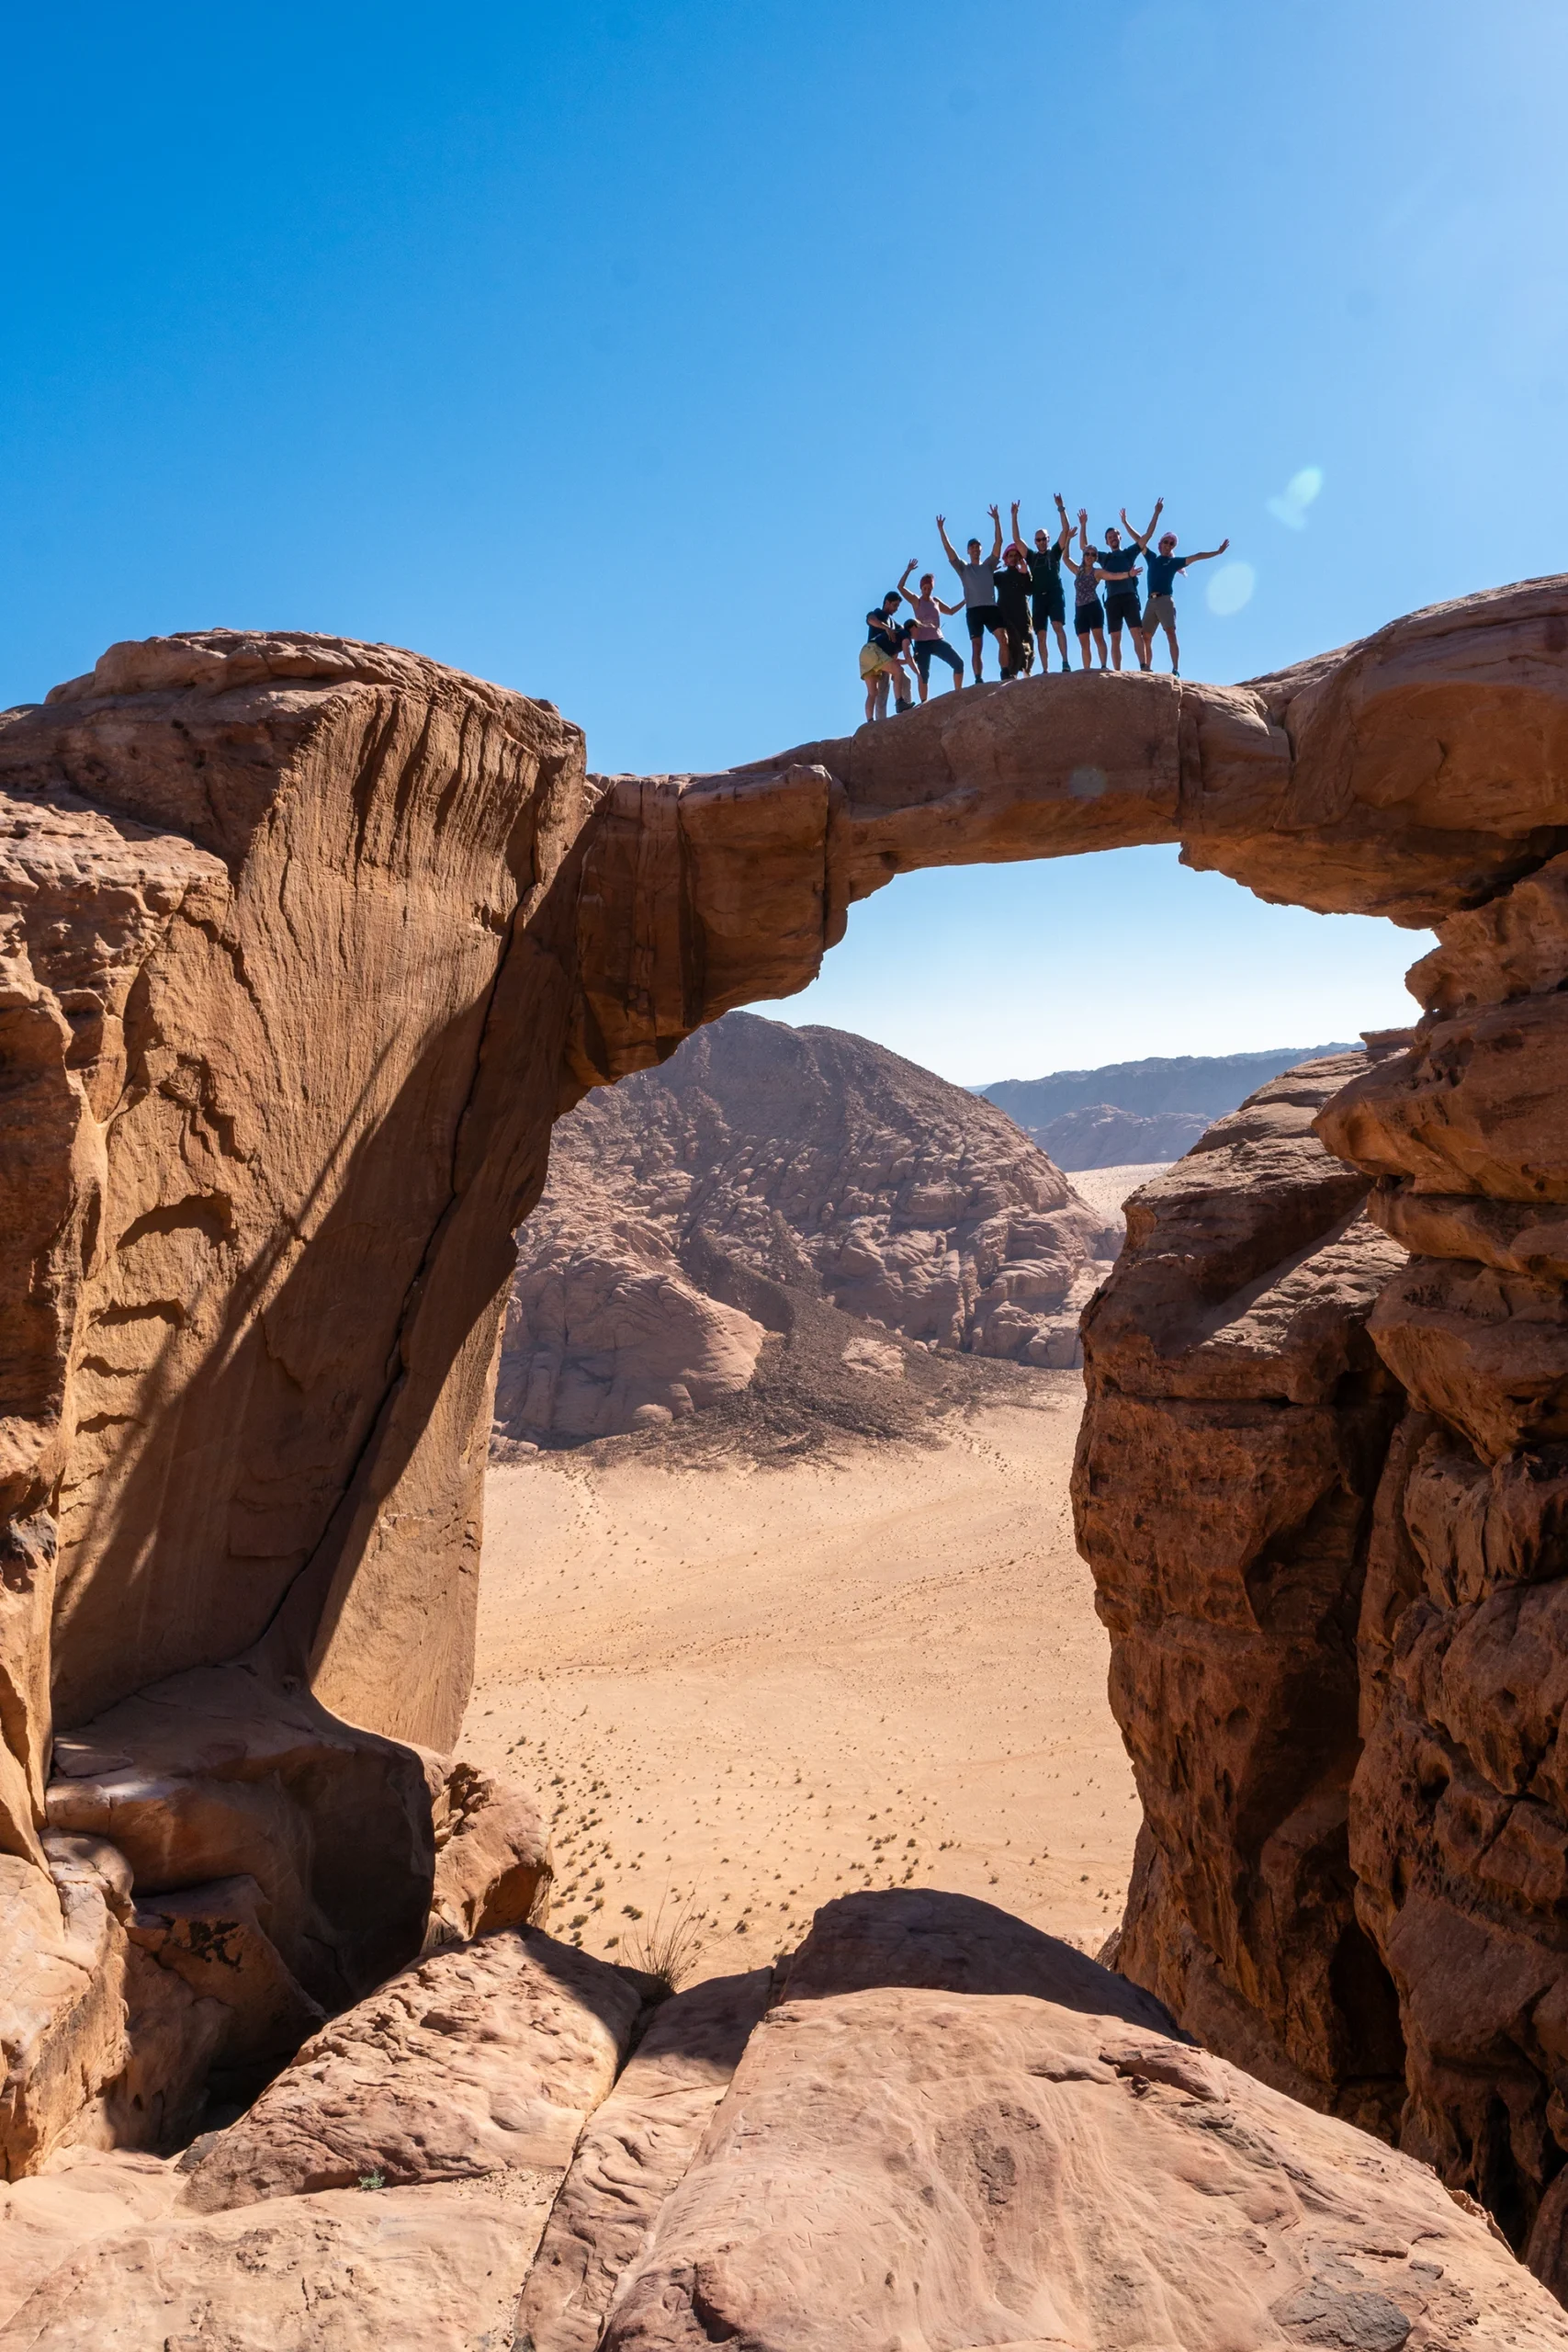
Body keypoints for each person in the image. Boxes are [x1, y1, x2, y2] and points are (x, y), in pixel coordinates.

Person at [1131, 520, 1231, 676]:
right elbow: (1139, 540)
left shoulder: (1173, 562)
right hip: (1151, 601)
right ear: (1160, 543)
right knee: (1146, 636)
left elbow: (1197, 556)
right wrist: (1125, 522)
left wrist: (1217, 552)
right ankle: (1146, 668)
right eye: (1166, 542)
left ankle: (1175, 670)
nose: (1168, 545)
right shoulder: (1152, 558)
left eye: (1172, 544)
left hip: (1165, 600)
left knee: (1170, 633)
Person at [1086, 500, 1162, 672]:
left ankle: (1143, 666)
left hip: (1129, 596)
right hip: (1112, 599)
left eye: (1115, 536)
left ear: (1120, 538)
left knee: (1136, 633)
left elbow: (1147, 535)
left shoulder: (1129, 553)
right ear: (1106, 542)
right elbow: (1085, 547)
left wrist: (1156, 513)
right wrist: (1084, 524)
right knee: (1115, 637)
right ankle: (1117, 672)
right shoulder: (1104, 557)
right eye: (1109, 537)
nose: (1113, 539)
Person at [936, 505, 1006, 682]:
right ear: (968, 551)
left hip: (991, 607)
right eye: (972, 547)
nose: (975, 549)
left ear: (981, 550)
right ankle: (978, 678)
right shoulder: (964, 569)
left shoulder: (989, 565)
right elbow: (949, 551)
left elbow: (999, 543)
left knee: (1003, 639)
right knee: (976, 645)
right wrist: (941, 530)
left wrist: (997, 520)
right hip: (974, 610)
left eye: (977, 547)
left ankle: (1006, 672)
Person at [1012, 494, 1074, 673]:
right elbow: (1017, 540)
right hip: (1039, 597)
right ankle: (1045, 670)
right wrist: (1014, 516)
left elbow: (1065, 530)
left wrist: (1061, 508)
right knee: (1041, 634)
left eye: (1043, 539)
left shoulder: (1054, 552)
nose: (1041, 542)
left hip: (1055, 594)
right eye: (1038, 540)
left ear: (1048, 539)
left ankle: (1065, 663)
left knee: (1057, 626)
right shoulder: (1031, 557)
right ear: (1035, 542)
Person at [897, 560, 965, 699]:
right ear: (921, 588)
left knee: (958, 663)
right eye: (924, 588)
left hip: (937, 640)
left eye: (929, 588)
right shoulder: (917, 601)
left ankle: (959, 693)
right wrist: (908, 571)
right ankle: (923, 702)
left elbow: (951, 611)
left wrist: (965, 601)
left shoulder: (936, 601)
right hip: (922, 643)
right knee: (923, 674)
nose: (927, 590)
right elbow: (901, 587)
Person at [1063, 511, 1108, 671]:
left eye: (1093, 555)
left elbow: (1113, 576)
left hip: (1093, 606)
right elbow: (1065, 558)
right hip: (1080, 608)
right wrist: (1068, 538)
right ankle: (1087, 670)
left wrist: (1128, 574)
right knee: (1084, 641)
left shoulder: (1097, 572)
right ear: (1084, 555)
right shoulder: (1078, 571)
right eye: (1087, 554)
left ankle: (1103, 666)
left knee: (1098, 637)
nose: (1089, 556)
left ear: (1096, 558)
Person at [860, 594, 913, 720]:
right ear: (887, 603)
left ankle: (906, 711)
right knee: (881, 693)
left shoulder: (893, 623)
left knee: (906, 680)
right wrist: (886, 628)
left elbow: (904, 631)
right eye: (894, 605)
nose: (896, 609)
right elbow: (870, 619)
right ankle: (880, 723)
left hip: (887, 659)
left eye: (898, 606)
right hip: (876, 655)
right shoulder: (878, 614)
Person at [993, 542, 1035, 680]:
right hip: (1006, 617)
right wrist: (990, 570)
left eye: (1015, 556)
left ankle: (1026, 673)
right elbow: (985, 584)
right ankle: (1010, 674)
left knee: (1027, 644)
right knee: (1011, 644)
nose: (1012, 558)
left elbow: (1030, 590)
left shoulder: (1023, 574)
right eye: (1010, 556)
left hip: (1023, 616)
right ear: (1006, 558)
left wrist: (1026, 573)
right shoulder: (999, 576)